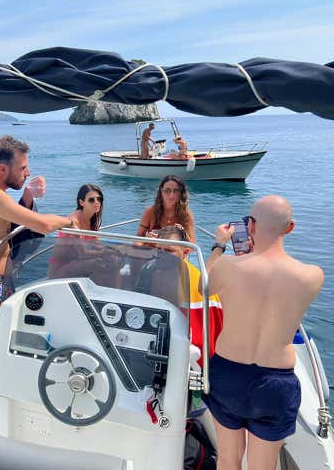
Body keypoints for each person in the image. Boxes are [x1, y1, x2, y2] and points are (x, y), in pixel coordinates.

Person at [0, 135, 73, 429]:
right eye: (23, 168)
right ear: (3, 169)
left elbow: (7, 226)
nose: (27, 173)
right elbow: (41, 224)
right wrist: (71, 221)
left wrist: (28, 196)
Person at [202, 196, 324, 470]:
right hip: (276, 382)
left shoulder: (229, 266)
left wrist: (219, 246)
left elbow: (203, 286)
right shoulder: (312, 275)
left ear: (251, 226)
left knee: (228, 459)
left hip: (228, 373)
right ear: (289, 228)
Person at [155, 225, 223, 367]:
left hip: (189, 354)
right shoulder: (151, 271)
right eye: (158, 249)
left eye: (169, 251)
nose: (161, 255)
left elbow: (203, 337)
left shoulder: (193, 282)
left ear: (185, 252)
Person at [47, 184, 120, 288]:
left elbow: (97, 247)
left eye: (99, 199)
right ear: (82, 202)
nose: (96, 202)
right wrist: (107, 251)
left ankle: (115, 292)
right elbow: (83, 253)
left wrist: (114, 251)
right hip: (59, 269)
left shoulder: (93, 221)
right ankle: (97, 293)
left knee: (113, 259)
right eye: (91, 200)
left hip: (77, 264)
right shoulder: (74, 222)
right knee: (98, 263)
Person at [138, 175, 196, 243]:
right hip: (152, 249)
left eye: (176, 191)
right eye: (167, 190)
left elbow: (192, 245)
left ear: (180, 193)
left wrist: (183, 233)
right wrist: (146, 240)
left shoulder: (186, 215)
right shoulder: (150, 212)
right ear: (161, 191)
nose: (171, 195)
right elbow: (138, 239)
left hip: (175, 250)